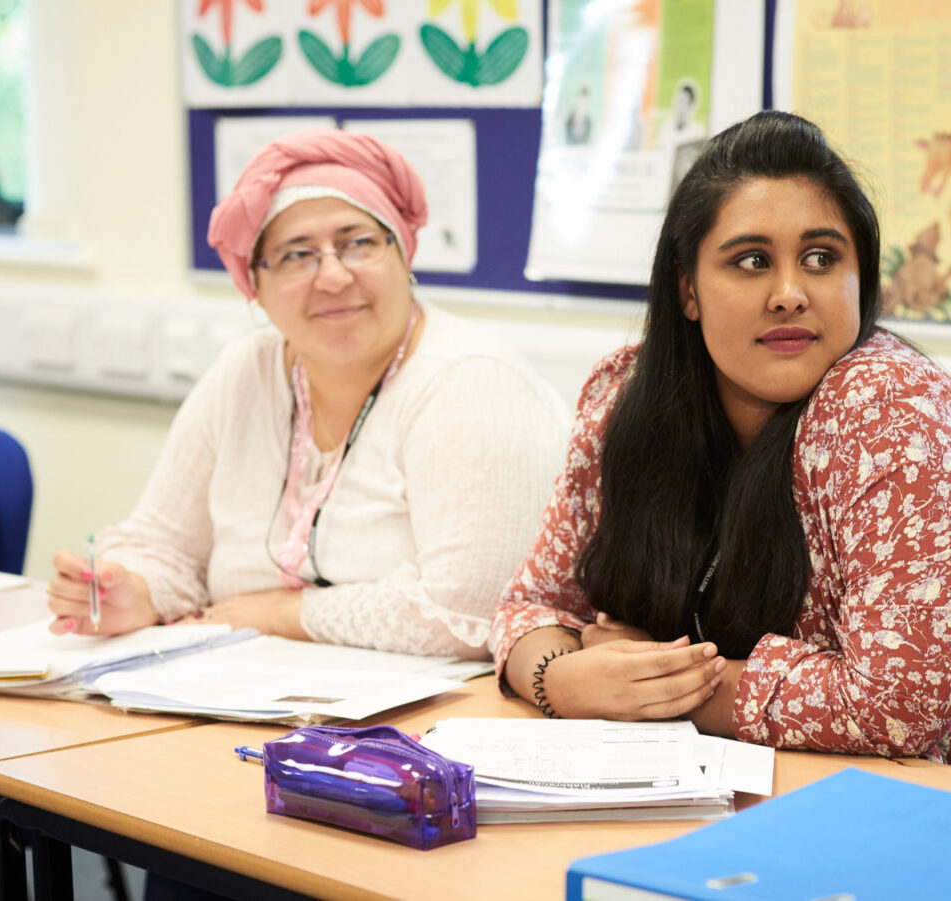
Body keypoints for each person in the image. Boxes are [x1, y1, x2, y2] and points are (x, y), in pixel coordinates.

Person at [492, 110, 951, 793]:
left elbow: (896, 708)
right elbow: (531, 605)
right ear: (688, 288)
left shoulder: (897, 412)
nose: (790, 294)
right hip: (760, 794)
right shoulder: (625, 397)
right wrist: (561, 677)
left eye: (821, 258)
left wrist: (652, 680)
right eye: (751, 261)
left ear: (859, 278)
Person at [45, 129, 569, 658]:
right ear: (256, 288)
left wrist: (277, 613)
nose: (334, 276)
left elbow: (470, 613)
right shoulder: (245, 372)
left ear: (403, 254)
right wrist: (135, 592)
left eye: (358, 243)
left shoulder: (472, 382)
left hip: (431, 717)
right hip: (242, 694)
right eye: (297, 255)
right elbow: (164, 544)